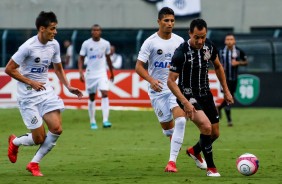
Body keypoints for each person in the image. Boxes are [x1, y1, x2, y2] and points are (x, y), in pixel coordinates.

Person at [4, 11, 83, 177]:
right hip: (27, 96)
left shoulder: (54, 45)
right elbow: (9, 69)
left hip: (45, 91)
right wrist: (30, 82)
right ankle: (15, 141)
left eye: (56, 28)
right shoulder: (28, 47)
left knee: (57, 128)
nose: (55, 32)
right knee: (39, 138)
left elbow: (58, 68)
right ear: (42, 28)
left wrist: (68, 86)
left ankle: (34, 163)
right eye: (52, 29)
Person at [167, 18, 234, 177]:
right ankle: (212, 168)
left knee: (215, 133)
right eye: (196, 36)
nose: (200, 40)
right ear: (190, 33)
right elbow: (170, 81)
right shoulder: (181, 52)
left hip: (206, 94)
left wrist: (226, 91)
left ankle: (194, 151)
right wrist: (184, 102)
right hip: (188, 94)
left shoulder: (209, 46)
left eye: (203, 36)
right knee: (206, 127)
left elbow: (218, 66)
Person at [135, 7, 187, 173]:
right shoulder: (150, 42)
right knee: (168, 130)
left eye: (172, 20)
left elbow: (187, 63)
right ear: (159, 21)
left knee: (181, 120)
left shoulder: (180, 41)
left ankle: (172, 162)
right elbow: (138, 67)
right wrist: (151, 80)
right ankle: (187, 150)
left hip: (175, 86)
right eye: (166, 20)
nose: (170, 23)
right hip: (157, 91)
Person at [78, 24, 114, 130]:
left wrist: (111, 72)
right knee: (92, 97)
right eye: (94, 30)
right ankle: (93, 121)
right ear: (91, 32)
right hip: (90, 74)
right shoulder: (86, 44)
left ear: (100, 32)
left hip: (102, 73)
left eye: (98, 30)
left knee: (105, 93)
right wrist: (80, 72)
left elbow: (108, 58)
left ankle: (105, 120)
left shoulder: (105, 43)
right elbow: (80, 58)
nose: (96, 32)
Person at [218, 33, 248, 126]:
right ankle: (229, 120)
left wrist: (238, 63)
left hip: (234, 79)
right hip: (224, 79)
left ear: (234, 41)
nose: (230, 41)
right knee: (228, 98)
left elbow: (246, 62)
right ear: (225, 41)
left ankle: (218, 108)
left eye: (231, 39)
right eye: (228, 39)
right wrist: (220, 67)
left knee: (231, 97)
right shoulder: (221, 52)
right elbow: (215, 63)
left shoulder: (239, 51)